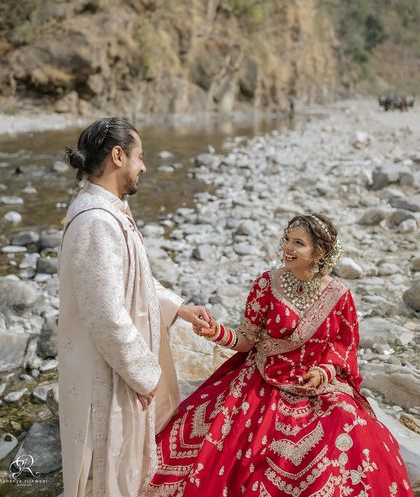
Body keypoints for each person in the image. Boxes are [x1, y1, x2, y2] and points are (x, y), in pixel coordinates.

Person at [144, 213, 414, 496]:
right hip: (264, 380)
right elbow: (246, 339)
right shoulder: (266, 284)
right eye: (287, 239)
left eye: (299, 243)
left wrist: (325, 371)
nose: (288, 248)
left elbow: (344, 345)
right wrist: (216, 332)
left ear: (319, 252)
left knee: (350, 423)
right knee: (243, 443)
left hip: (316, 386)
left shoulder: (339, 294)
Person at [57, 117, 210, 497]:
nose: (144, 166)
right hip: (106, 372)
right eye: (140, 157)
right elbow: (106, 314)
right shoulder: (96, 221)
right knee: (110, 466)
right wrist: (145, 374)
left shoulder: (109, 210)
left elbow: (136, 279)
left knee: (125, 461)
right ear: (118, 156)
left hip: (115, 367)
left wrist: (179, 308)